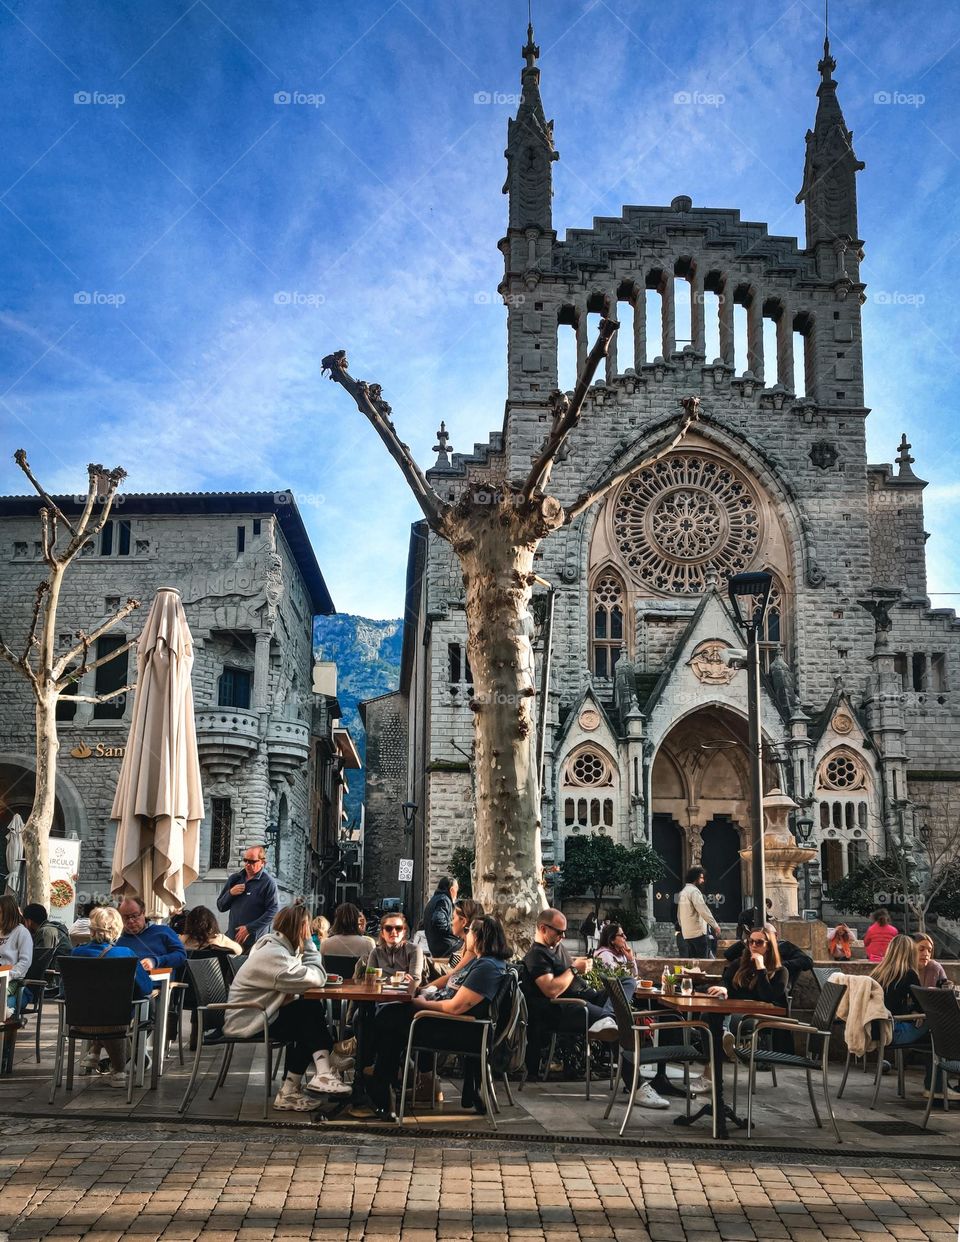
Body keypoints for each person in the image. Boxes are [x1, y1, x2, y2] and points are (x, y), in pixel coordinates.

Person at [365, 915, 511, 1121]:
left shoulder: (487, 968)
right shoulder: (482, 962)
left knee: (388, 1019)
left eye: (470, 931)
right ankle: (380, 1083)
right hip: (449, 1021)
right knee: (388, 1019)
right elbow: (451, 985)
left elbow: (455, 1006)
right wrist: (422, 993)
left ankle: (376, 1084)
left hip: (456, 1028)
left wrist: (418, 1002)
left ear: (478, 937)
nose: (466, 934)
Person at [225, 904, 348, 1111]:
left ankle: (300, 1084)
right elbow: (316, 978)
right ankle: (326, 1066)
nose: (309, 934)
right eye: (307, 931)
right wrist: (310, 944)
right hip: (249, 1020)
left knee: (307, 1015)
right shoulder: (275, 955)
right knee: (307, 1014)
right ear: (301, 929)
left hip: (260, 1013)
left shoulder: (276, 948)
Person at [71, 906, 154, 1087]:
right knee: (118, 1009)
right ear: (117, 930)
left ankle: (95, 1050)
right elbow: (146, 988)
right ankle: (118, 1071)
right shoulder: (125, 954)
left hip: (80, 1022)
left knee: (101, 1009)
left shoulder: (76, 953)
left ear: (91, 929)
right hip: (116, 1023)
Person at [872, 934, 956, 1102]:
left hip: (879, 1030)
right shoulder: (909, 974)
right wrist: (914, 1010)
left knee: (935, 1031)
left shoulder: (879, 973)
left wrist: (910, 1011)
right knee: (941, 1027)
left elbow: (893, 1003)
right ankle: (937, 1087)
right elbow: (923, 1006)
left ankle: (935, 1085)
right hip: (895, 1031)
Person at [712, 925, 789, 1062]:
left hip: (759, 1017)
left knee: (714, 1023)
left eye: (759, 942)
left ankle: (723, 1044)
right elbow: (725, 981)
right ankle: (723, 1043)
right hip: (735, 1012)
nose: (753, 945)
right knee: (709, 1016)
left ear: (769, 946)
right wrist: (723, 988)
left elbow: (768, 997)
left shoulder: (780, 972)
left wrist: (761, 968)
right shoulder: (740, 964)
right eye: (750, 941)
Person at [216, 845, 280, 950]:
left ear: (262, 863)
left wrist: (249, 929)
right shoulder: (235, 879)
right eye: (245, 860)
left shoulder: (268, 882)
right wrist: (230, 893)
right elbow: (220, 906)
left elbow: (273, 912)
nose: (247, 865)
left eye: (252, 861)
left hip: (255, 944)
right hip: (232, 941)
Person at [117, 897, 187, 973]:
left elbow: (181, 955)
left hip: (160, 982)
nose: (130, 921)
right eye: (125, 917)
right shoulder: (117, 939)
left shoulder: (163, 931)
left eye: (134, 916)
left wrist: (156, 961)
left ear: (143, 913)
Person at [365, 912, 424, 983]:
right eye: (388, 928)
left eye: (398, 928)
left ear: (403, 932)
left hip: (406, 992)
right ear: (382, 933)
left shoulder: (414, 949)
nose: (393, 931)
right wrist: (401, 978)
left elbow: (415, 979)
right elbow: (369, 978)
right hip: (381, 992)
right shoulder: (376, 952)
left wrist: (384, 979)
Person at [677, 867, 721, 959]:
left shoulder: (683, 891)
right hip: (698, 934)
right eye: (701, 878)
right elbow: (704, 910)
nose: (703, 880)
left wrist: (684, 927)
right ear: (695, 878)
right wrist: (715, 925)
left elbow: (679, 915)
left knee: (692, 962)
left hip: (687, 934)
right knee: (702, 962)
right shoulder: (694, 891)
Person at [0, 895, 33, 1010]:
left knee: (3, 1007)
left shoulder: (22, 932)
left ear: (8, 913)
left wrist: (8, 975)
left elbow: (25, 962)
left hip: (16, 986)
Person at [422, 877, 459, 958]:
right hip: (446, 946)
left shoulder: (434, 900)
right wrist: (454, 930)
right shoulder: (444, 900)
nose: (457, 894)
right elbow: (438, 921)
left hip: (435, 946)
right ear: (452, 890)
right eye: (457, 890)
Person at [448, 899, 485, 968]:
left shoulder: (472, 949)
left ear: (464, 922)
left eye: (453, 918)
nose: (451, 922)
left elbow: (453, 974)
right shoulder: (467, 944)